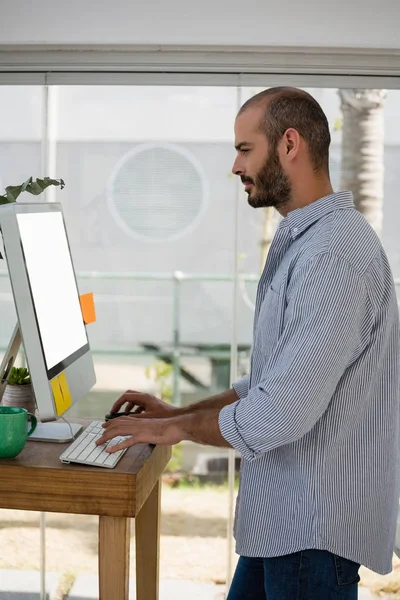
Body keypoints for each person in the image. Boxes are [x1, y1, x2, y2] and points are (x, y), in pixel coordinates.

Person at [97, 87, 400, 599]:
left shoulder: (335, 255)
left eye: (244, 148)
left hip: (311, 540)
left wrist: (176, 430)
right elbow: (269, 384)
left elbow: (277, 413)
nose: (235, 166)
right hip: (283, 528)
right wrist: (174, 413)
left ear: (288, 144)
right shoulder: (311, 242)